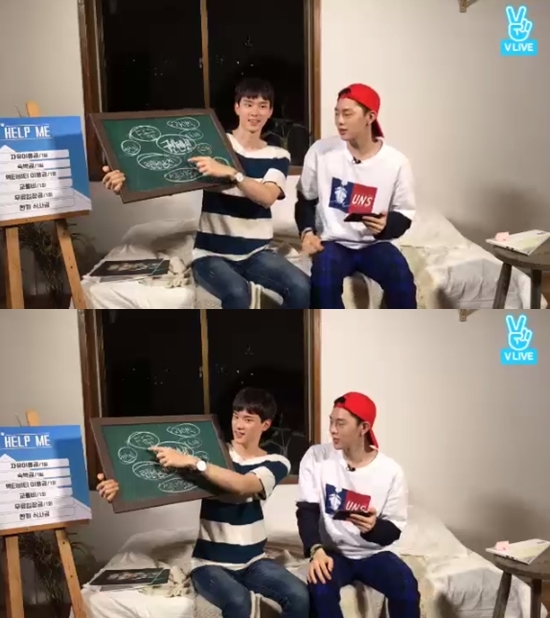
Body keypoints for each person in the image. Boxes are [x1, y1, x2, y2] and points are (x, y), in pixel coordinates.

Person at [97, 387, 309, 618]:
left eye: (248, 420)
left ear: (265, 425)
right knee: (239, 602)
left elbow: (242, 485)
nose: (239, 425)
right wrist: (118, 487)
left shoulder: (276, 462)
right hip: (209, 564)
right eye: (236, 417)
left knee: (299, 595)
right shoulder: (213, 454)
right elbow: (156, 479)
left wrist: (196, 463)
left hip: (254, 562)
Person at [102, 78, 310, 309]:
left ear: (270, 111)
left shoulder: (278, 155)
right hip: (211, 255)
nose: (255, 112)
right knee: (238, 293)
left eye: (263, 106)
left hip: (257, 253)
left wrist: (233, 173)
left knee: (302, 287)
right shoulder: (214, 145)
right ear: (237, 107)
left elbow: (266, 197)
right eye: (248, 104)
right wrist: (125, 180)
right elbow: (167, 176)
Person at [295, 392, 420, 618]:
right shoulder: (316, 457)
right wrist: (315, 550)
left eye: (340, 423)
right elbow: (307, 511)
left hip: (375, 554)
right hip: (333, 552)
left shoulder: (391, 471)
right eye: (331, 421)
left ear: (363, 427)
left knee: (406, 587)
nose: (332, 430)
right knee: (320, 588)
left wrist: (373, 528)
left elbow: (393, 530)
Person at [294, 83, 417, 309]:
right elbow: (305, 199)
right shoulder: (321, 151)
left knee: (402, 279)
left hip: (376, 244)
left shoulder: (397, 162)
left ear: (370, 117)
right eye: (337, 113)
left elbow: (404, 213)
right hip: (334, 242)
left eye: (347, 114)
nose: (339, 121)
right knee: (323, 277)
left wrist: (386, 226)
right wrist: (307, 232)